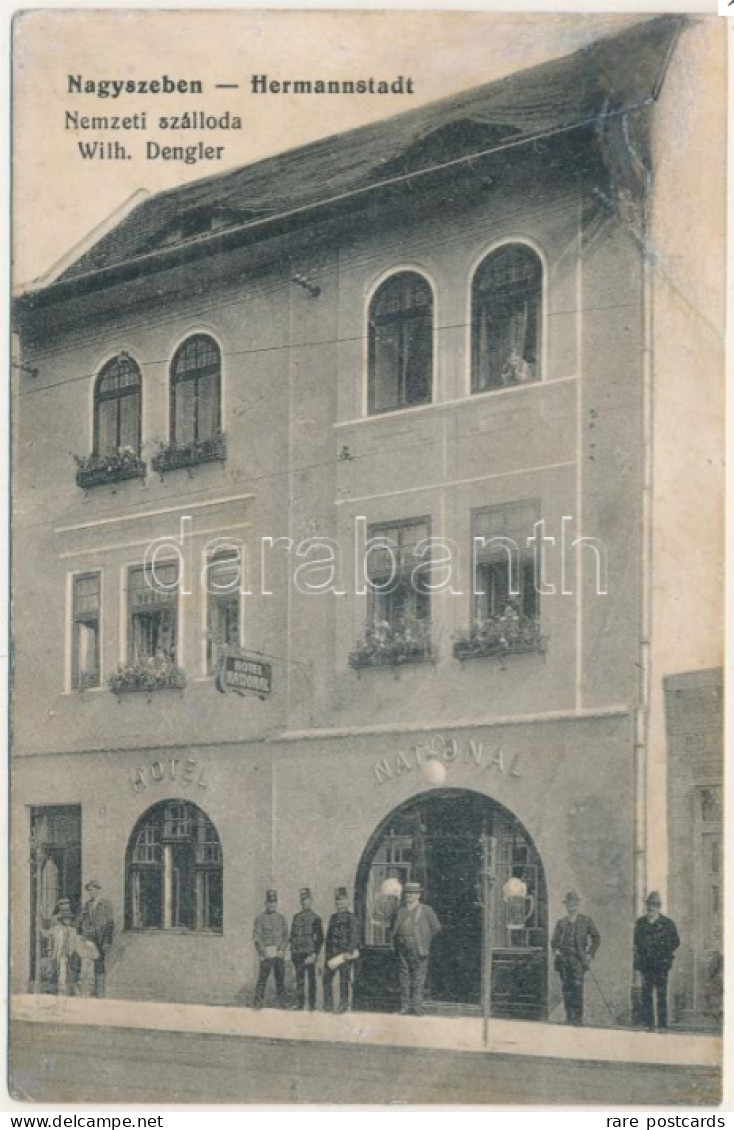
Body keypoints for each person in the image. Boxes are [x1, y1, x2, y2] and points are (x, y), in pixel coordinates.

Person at [550, 890, 600, 1025]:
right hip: (564, 960)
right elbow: (553, 942)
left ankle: (578, 1019)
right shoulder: (561, 922)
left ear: (578, 905)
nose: (571, 907)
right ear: (566, 906)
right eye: (569, 905)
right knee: (566, 988)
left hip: (578, 960)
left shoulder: (586, 921)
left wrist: (590, 954)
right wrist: (556, 951)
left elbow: (596, 938)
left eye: (574, 904)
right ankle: (569, 1017)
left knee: (577, 988)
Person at [391, 881, 440, 1016]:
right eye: (407, 893)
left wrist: (424, 939)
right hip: (402, 947)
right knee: (404, 977)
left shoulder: (426, 910)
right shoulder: (400, 911)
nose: (409, 896)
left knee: (418, 978)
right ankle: (405, 1006)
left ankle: (417, 1007)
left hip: (419, 948)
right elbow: (393, 927)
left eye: (412, 893)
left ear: (418, 895)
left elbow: (436, 928)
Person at [633, 891, 680, 1032]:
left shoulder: (667, 923)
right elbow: (636, 942)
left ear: (659, 907)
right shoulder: (640, 923)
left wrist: (665, 953)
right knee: (646, 994)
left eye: (654, 906)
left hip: (661, 965)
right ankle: (649, 1024)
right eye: (649, 906)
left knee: (661, 994)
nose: (651, 909)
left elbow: (676, 942)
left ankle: (662, 1025)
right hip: (646, 964)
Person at [76, 880, 115, 998]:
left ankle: (100, 992)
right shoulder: (87, 905)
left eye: (92, 890)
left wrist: (107, 940)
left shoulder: (106, 904)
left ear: (98, 890)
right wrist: (79, 933)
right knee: (87, 964)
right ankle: (87, 990)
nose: (90, 893)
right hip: (89, 938)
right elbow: (81, 920)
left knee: (99, 964)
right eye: (88, 891)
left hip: (101, 938)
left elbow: (110, 924)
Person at [323, 887, 359, 1014]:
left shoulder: (351, 918)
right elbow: (328, 938)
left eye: (341, 900)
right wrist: (326, 958)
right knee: (326, 978)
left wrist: (349, 952)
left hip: (344, 955)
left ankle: (343, 1006)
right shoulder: (333, 918)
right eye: (337, 901)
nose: (338, 903)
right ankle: (328, 1005)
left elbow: (354, 937)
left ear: (346, 901)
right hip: (332, 954)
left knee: (344, 981)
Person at [252, 889, 288, 1009]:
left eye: (274, 902)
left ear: (276, 903)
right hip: (266, 954)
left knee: (280, 980)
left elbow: (285, 936)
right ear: (265, 903)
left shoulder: (281, 918)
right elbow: (257, 937)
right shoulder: (260, 919)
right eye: (269, 902)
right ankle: (257, 1003)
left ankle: (282, 1003)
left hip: (278, 954)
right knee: (262, 980)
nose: (272, 905)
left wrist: (282, 950)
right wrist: (263, 951)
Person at [290, 887, 324, 1011]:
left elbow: (320, 938)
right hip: (298, 953)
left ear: (311, 901)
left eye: (307, 900)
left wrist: (315, 953)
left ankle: (312, 1005)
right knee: (299, 980)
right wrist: (293, 953)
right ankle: (300, 1004)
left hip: (309, 954)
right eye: (303, 900)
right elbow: (292, 936)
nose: (305, 902)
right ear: (300, 902)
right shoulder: (296, 917)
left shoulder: (316, 918)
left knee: (311, 980)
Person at [38, 898, 77, 995]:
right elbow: (48, 935)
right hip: (58, 952)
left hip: (69, 953)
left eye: (69, 918)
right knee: (58, 970)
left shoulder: (73, 931)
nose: (67, 920)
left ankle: (66, 989)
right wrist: (39, 927)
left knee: (67, 971)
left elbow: (75, 942)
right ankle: (59, 989)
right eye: (65, 918)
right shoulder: (56, 928)